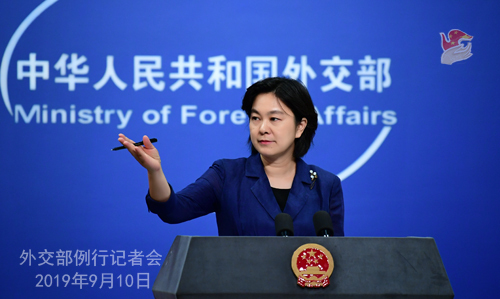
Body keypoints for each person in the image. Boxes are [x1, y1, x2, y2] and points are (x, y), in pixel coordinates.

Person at [118, 77, 344, 236]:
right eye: (256, 118)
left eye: (274, 119)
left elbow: (336, 256)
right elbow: (173, 210)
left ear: (300, 127)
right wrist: (155, 171)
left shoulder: (325, 184)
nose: (262, 128)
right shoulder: (227, 175)